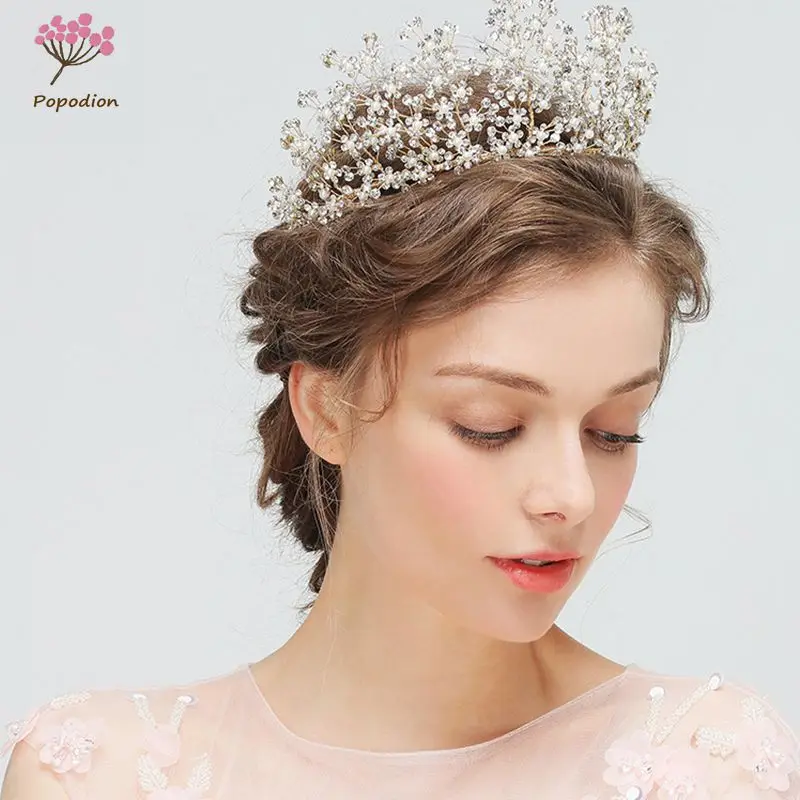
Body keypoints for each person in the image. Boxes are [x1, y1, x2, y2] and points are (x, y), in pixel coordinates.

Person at [2, 2, 798, 798]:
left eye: (614, 433)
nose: (573, 495)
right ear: (326, 411)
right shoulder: (98, 774)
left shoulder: (702, 761)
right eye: (491, 427)